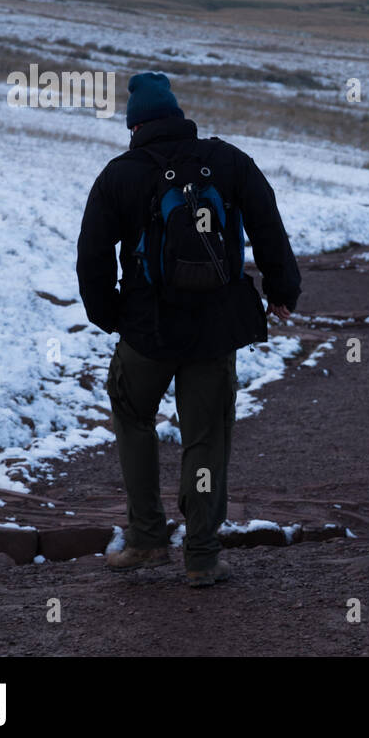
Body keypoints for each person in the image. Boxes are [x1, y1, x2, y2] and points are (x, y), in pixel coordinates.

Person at [77, 72, 301, 588]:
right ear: (179, 116)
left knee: (133, 418)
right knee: (205, 437)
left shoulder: (119, 175)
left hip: (146, 330)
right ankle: (201, 555)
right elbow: (268, 224)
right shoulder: (227, 161)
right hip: (214, 330)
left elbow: (92, 257)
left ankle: (146, 540)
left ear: (135, 126)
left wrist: (111, 315)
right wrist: (282, 289)